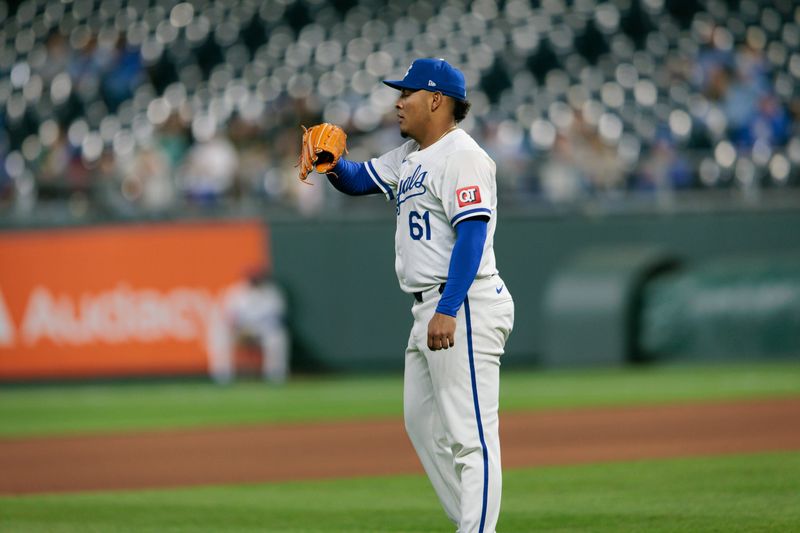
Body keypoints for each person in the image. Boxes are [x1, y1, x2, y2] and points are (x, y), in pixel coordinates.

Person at [300, 58, 514, 533]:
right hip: (429, 308)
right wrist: (331, 166)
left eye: (407, 94)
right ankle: (472, 520)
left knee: (471, 436)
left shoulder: (463, 154)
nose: (398, 102)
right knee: (421, 424)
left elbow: (473, 235)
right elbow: (359, 180)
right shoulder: (410, 157)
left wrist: (449, 307)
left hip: (464, 304)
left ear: (436, 100)